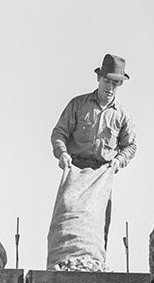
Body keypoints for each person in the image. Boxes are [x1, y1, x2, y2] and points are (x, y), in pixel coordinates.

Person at [50, 54, 137, 243]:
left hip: (102, 177)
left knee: (98, 228)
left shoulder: (122, 115)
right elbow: (59, 133)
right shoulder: (78, 105)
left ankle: (94, 260)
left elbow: (130, 146)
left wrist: (119, 160)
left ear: (120, 85)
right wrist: (62, 153)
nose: (110, 87)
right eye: (107, 81)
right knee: (67, 221)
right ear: (99, 78)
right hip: (75, 172)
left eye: (115, 83)